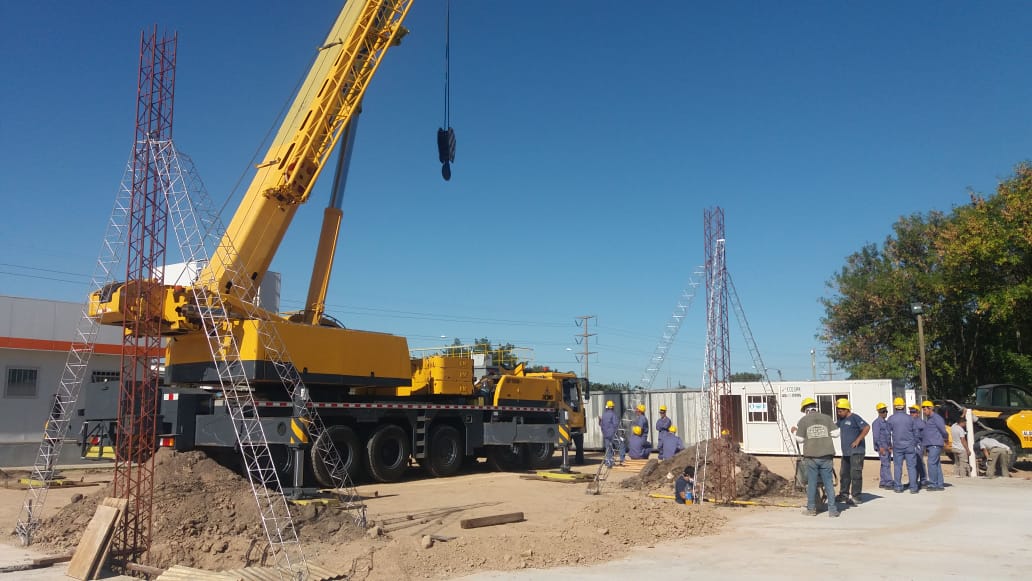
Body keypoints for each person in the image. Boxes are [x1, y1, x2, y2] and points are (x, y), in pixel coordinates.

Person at [792, 397, 840, 517]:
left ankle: (811, 509)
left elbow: (800, 439)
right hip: (827, 456)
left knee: (812, 483)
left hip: (811, 457)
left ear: (806, 410)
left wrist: (794, 431)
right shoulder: (827, 418)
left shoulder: (803, 420)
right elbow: (836, 433)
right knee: (828, 482)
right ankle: (833, 510)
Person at [834, 398, 870, 506]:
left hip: (856, 452)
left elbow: (867, 427)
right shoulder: (841, 420)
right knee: (844, 474)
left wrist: (858, 440)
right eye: (838, 411)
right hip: (846, 453)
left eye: (840, 411)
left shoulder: (855, 417)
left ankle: (856, 497)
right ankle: (844, 494)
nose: (839, 413)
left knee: (855, 474)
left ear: (846, 409)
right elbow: (833, 427)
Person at [887, 397, 919, 494]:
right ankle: (913, 488)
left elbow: (887, 433)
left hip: (897, 446)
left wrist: (889, 445)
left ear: (895, 406)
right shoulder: (910, 418)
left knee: (898, 466)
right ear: (904, 406)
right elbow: (916, 432)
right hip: (909, 445)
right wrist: (915, 442)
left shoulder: (891, 418)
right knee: (911, 467)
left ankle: (898, 487)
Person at [921, 400, 948, 491]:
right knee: (936, 464)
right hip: (931, 444)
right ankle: (940, 484)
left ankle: (933, 484)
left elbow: (943, 430)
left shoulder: (936, 418)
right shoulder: (930, 418)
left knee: (931, 463)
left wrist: (945, 438)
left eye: (925, 409)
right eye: (923, 409)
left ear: (931, 408)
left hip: (935, 444)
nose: (924, 411)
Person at [871, 402, 894, 489]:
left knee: (885, 464)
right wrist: (880, 447)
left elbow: (888, 435)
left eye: (886, 411)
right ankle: (888, 482)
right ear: (879, 412)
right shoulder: (876, 423)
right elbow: (876, 436)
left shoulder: (886, 422)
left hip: (887, 446)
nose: (885, 413)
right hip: (882, 447)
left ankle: (883, 481)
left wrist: (890, 445)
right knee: (886, 464)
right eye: (883, 411)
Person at [909, 405, 928, 488]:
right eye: (910, 412)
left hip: (918, 444)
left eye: (913, 412)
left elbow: (925, 434)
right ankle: (914, 481)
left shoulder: (920, 422)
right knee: (913, 464)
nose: (912, 414)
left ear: (918, 413)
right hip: (911, 444)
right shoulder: (910, 421)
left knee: (919, 463)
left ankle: (923, 480)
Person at [599, 400, 623, 467]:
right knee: (621, 445)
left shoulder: (604, 415)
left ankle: (609, 463)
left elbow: (601, 424)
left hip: (606, 434)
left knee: (608, 448)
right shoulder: (613, 414)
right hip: (612, 434)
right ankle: (622, 460)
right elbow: (616, 424)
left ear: (607, 407)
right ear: (612, 407)